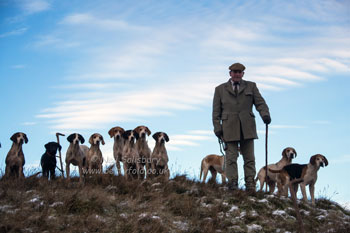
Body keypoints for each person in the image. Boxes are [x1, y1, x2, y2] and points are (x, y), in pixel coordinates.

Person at [212, 62, 271, 193]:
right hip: (228, 128)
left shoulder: (251, 86)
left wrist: (265, 115)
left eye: (240, 72)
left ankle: (250, 184)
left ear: (243, 74)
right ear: (230, 74)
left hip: (247, 127)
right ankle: (232, 183)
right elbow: (216, 112)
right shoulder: (220, 89)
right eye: (235, 72)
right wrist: (217, 128)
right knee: (231, 158)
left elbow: (260, 103)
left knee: (249, 158)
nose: (237, 74)